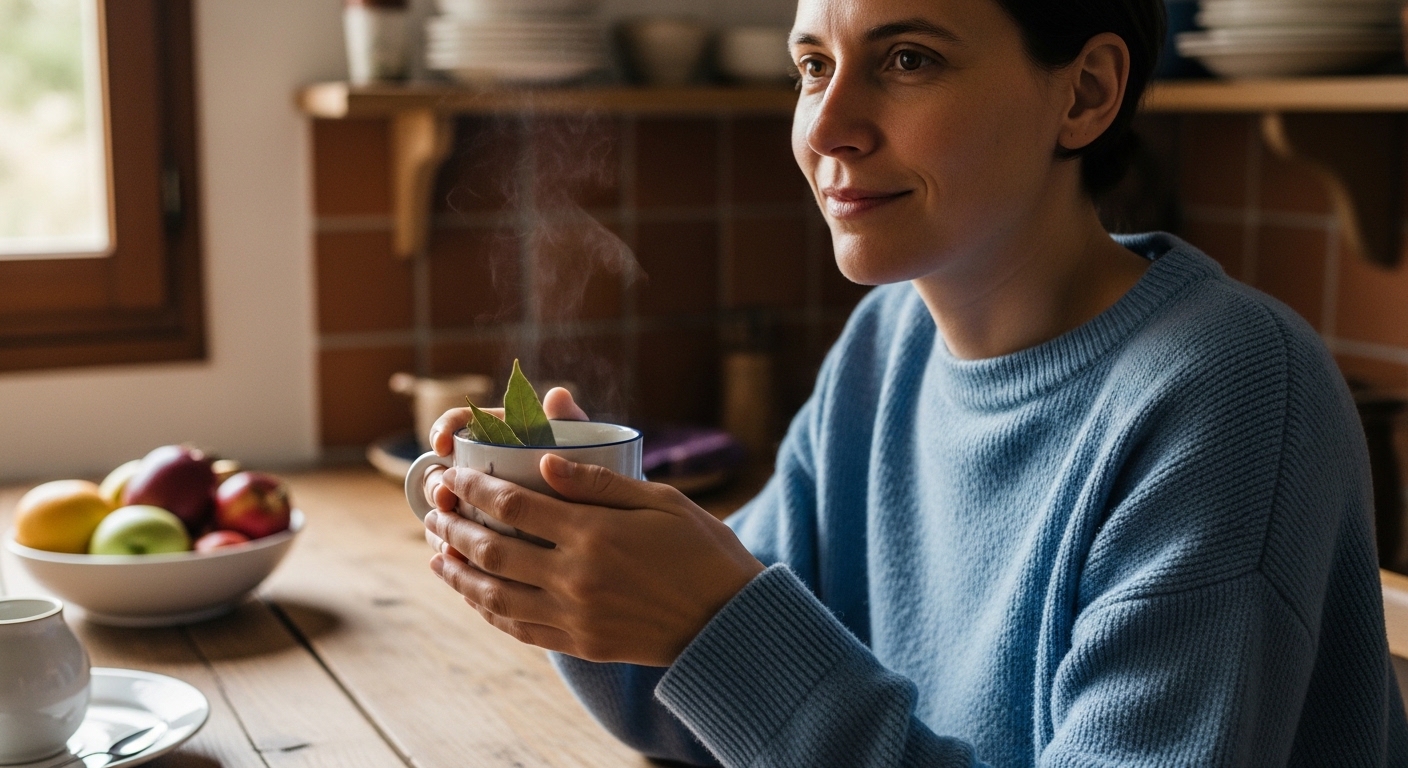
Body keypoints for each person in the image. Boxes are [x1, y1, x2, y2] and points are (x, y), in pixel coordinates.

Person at [419, 0, 1408, 763]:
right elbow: (693, 702)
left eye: (907, 60)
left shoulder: (1227, 391)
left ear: (1086, 92)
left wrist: (711, 620)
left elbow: (739, 653)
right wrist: (567, 557)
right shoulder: (886, 345)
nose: (828, 127)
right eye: (812, 65)